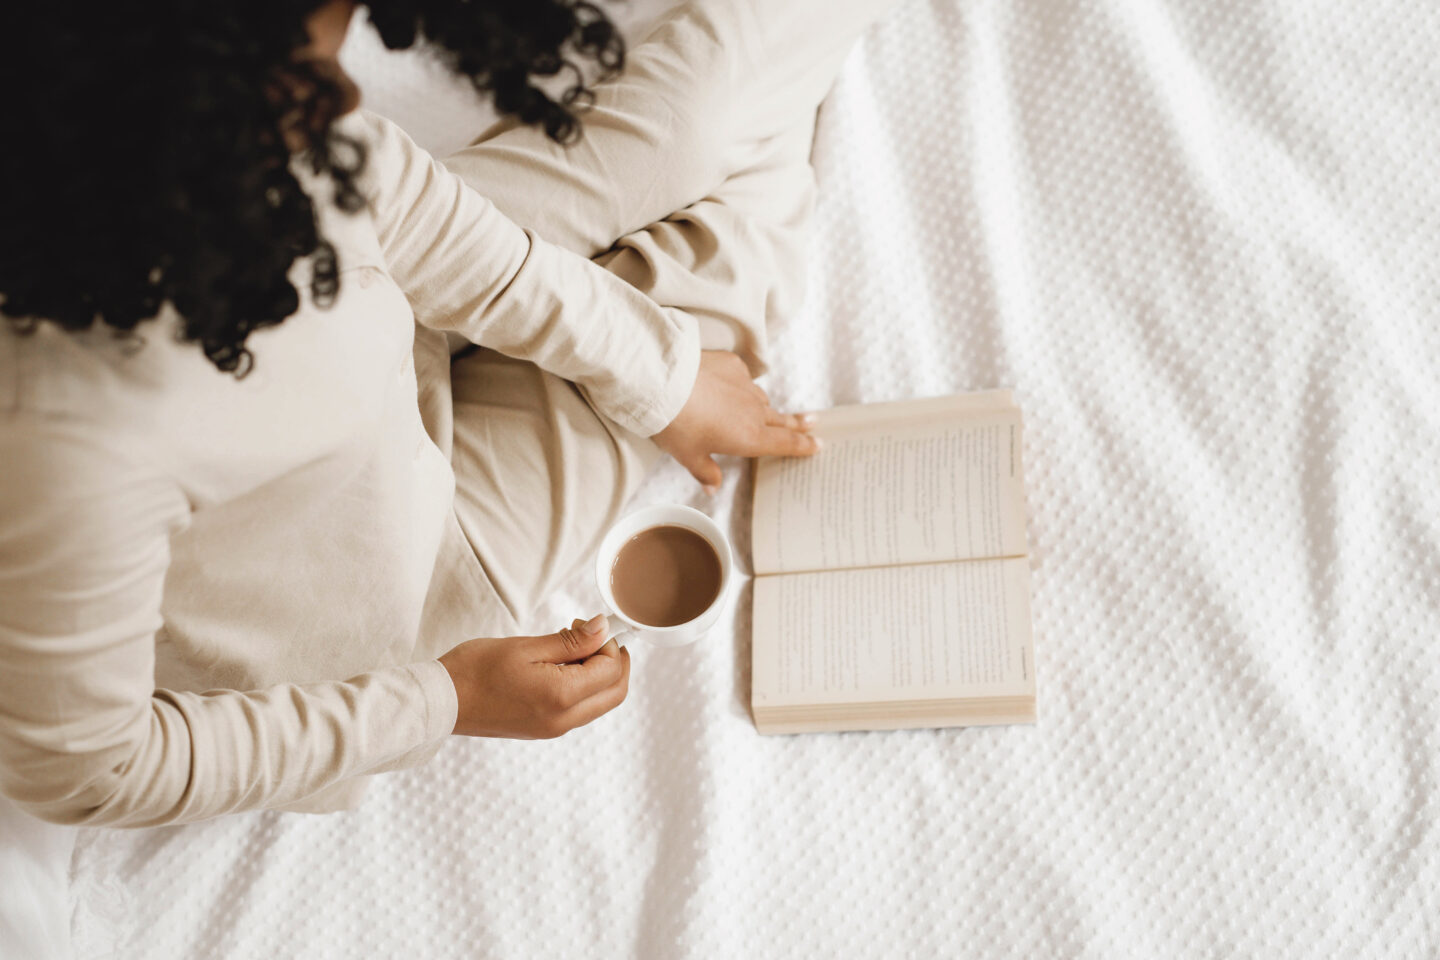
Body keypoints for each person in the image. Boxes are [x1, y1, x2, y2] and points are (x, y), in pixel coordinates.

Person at [0, 0, 895, 836]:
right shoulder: (67, 449)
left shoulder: (263, 124)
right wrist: (447, 698)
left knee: (692, 120)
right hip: (402, 598)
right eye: (310, 67)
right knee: (737, 247)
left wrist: (660, 376)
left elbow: (435, 229)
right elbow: (88, 770)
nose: (344, 94)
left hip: (392, 352)